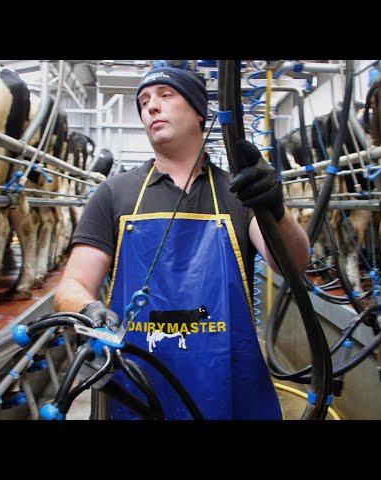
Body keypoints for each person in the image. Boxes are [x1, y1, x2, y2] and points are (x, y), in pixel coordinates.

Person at [55, 66, 310, 420]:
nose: (151, 108)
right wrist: (89, 309)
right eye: (143, 102)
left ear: (199, 112)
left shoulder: (239, 194)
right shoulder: (114, 193)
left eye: (165, 95)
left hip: (228, 379)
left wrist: (277, 211)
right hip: (139, 381)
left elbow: (293, 266)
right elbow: (73, 283)